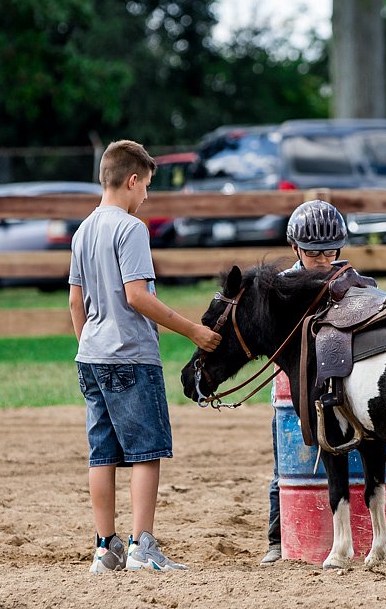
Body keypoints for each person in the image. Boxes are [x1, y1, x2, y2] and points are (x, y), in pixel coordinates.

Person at [69, 139, 221, 574]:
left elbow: (75, 304)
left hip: (92, 357)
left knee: (102, 454)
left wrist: (87, 347)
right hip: (131, 356)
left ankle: (105, 548)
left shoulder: (83, 231)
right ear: (132, 180)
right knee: (145, 452)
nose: (147, 197)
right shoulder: (131, 229)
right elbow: (138, 297)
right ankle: (142, 546)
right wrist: (193, 329)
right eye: (147, 187)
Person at [261, 199, 349, 566]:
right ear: (296, 249)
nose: (324, 260)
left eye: (330, 252)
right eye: (315, 254)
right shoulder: (281, 288)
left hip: (335, 389)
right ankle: (277, 540)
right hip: (292, 391)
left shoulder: (345, 281)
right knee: (285, 469)